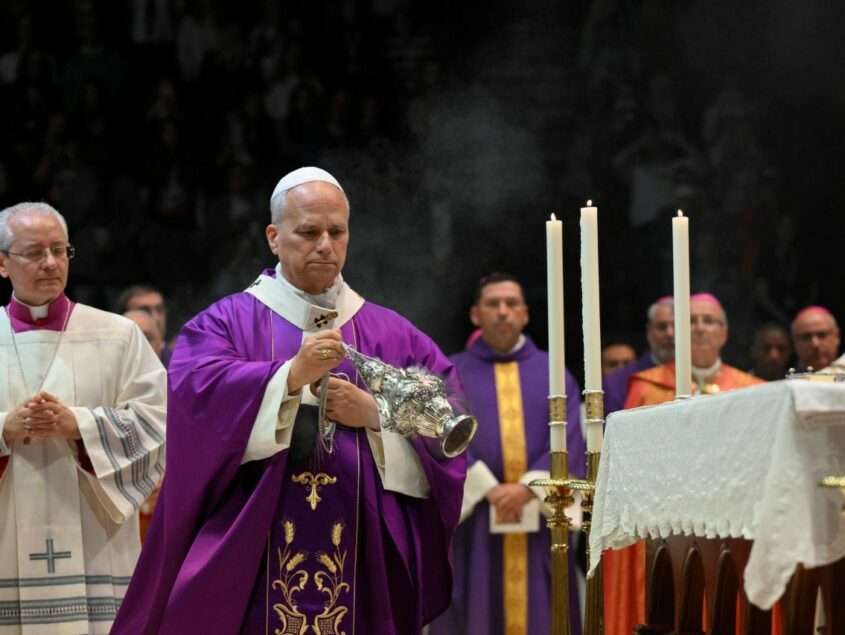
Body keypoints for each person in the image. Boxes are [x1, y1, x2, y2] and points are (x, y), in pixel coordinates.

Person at [114, 167, 467, 634]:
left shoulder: (392, 334)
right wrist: (288, 378)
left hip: (362, 566)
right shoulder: (223, 325)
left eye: (336, 231)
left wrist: (376, 416)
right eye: (308, 232)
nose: (325, 244)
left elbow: (450, 429)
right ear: (274, 237)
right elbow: (195, 407)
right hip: (253, 562)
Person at [0, 202, 166, 634]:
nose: (51, 263)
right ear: (2, 263)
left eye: (60, 250)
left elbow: (159, 426)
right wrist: (5, 429)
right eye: (34, 253)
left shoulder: (118, 336)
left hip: (98, 549)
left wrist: (79, 427)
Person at [430, 273, 585, 635]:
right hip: (477, 523)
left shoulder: (554, 373)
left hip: (539, 524)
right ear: (475, 314)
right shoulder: (451, 373)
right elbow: (437, 435)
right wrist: (485, 486)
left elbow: (571, 439)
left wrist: (529, 486)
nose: (503, 312)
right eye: (493, 304)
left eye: (512, 304)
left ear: (526, 314)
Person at [604, 293, 763, 635]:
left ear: (724, 332)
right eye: (691, 321)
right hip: (665, 532)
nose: (701, 328)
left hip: (731, 526)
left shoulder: (755, 391)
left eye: (710, 321)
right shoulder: (648, 388)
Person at [603, 296, 674, 414]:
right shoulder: (617, 382)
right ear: (649, 331)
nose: (670, 333)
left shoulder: (707, 374)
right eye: (662, 327)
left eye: (677, 326)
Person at [117, 284, 173, 364]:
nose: (156, 318)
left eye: (160, 309)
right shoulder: (111, 365)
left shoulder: (181, 364)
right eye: (145, 311)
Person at [790, 306, 840, 372]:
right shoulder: (782, 381)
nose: (815, 344)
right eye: (806, 337)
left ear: (837, 336)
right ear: (794, 342)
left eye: (822, 335)